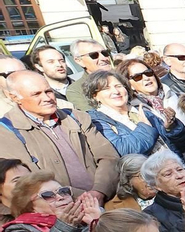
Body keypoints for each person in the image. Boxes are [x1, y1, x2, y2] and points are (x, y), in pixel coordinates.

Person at [0, 70, 120, 202]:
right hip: (59, 209)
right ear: (15, 98)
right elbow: (29, 180)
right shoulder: (6, 132)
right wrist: (80, 197)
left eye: (48, 91)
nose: (47, 98)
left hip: (106, 200)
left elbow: (108, 156)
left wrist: (99, 191)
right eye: (36, 94)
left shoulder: (76, 117)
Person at [81, 70, 163, 157]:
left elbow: (172, 142)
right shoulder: (97, 122)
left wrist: (171, 128)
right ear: (95, 96)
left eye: (118, 86)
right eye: (106, 88)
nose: (116, 91)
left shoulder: (141, 110)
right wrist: (146, 128)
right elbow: (122, 150)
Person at [4, 171, 95, 232]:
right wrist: (64, 227)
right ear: (30, 206)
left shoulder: (89, 212)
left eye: (63, 191)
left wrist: (98, 223)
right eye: (48, 195)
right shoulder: (19, 230)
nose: (60, 197)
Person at [63, 39, 114, 112]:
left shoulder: (123, 77)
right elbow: (93, 117)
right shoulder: (76, 90)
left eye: (105, 53)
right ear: (79, 61)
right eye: (94, 55)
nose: (103, 58)